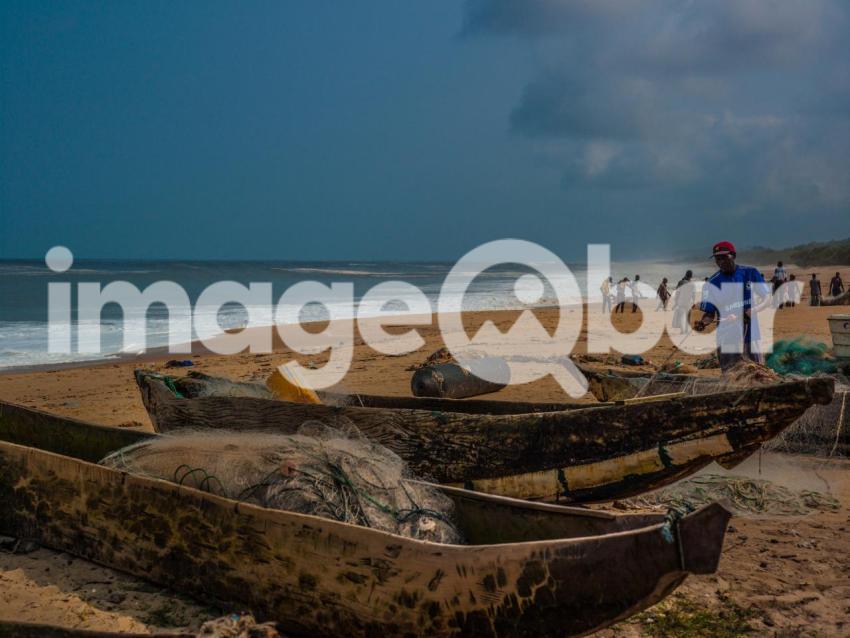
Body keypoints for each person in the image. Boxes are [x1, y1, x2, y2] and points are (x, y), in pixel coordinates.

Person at [694, 241, 770, 372]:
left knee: (758, 373)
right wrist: (703, 323)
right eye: (718, 258)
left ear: (733, 255)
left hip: (750, 335)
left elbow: (767, 298)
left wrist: (753, 310)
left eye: (724, 257)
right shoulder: (712, 283)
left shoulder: (751, 273)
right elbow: (710, 313)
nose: (721, 261)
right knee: (730, 376)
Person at [672, 270, 694, 334]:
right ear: (691, 276)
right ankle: (686, 330)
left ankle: (682, 331)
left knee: (681, 316)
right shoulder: (692, 284)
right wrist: (693, 302)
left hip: (681, 301)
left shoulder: (680, 282)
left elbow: (677, 292)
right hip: (688, 301)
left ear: (686, 274)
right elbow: (693, 295)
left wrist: (676, 302)